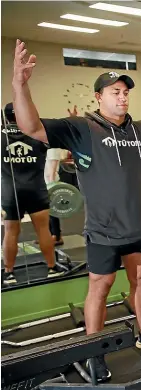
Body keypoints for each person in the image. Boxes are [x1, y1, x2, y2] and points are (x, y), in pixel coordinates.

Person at [12, 39, 141, 381]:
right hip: (103, 230)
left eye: (124, 92)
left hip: (140, 225)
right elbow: (30, 127)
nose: (121, 97)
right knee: (100, 286)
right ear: (99, 97)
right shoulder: (80, 129)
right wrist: (20, 84)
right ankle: (94, 350)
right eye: (114, 91)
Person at [1, 102, 65, 285]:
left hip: (10, 192)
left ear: (6, 118)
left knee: (10, 232)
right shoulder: (37, 134)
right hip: (35, 190)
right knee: (43, 230)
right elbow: (59, 137)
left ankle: (8, 273)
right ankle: (52, 268)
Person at [43, 148, 68, 246]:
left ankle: (57, 236)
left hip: (51, 184)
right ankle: (49, 235)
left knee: (52, 212)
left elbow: (52, 172)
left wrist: (51, 186)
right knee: (46, 211)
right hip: (44, 182)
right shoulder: (47, 148)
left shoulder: (53, 149)